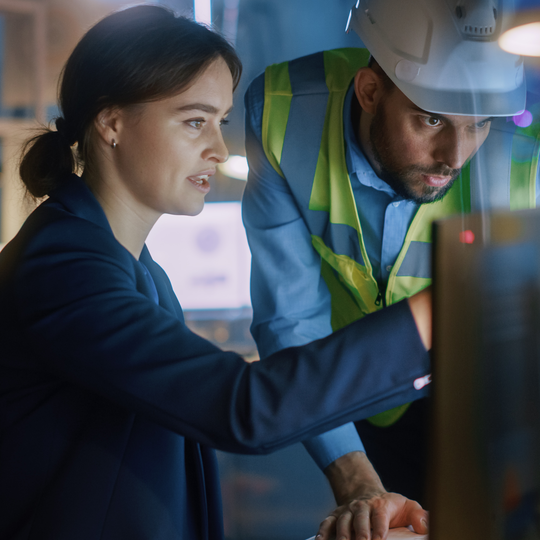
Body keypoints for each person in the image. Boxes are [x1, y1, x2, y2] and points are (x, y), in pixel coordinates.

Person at [0, 5, 435, 540]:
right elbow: (242, 407)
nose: (219, 148)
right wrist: (431, 319)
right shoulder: (64, 265)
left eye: (221, 121)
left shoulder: (134, 266)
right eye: (194, 121)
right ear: (111, 122)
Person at [242, 0, 540, 528]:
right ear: (370, 92)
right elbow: (290, 317)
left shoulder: (526, 149)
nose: (455, 154)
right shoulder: (283, 112)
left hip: (478, 393)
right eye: (431, 119)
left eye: (479, 125)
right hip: (343, 388)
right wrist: (357, 480)